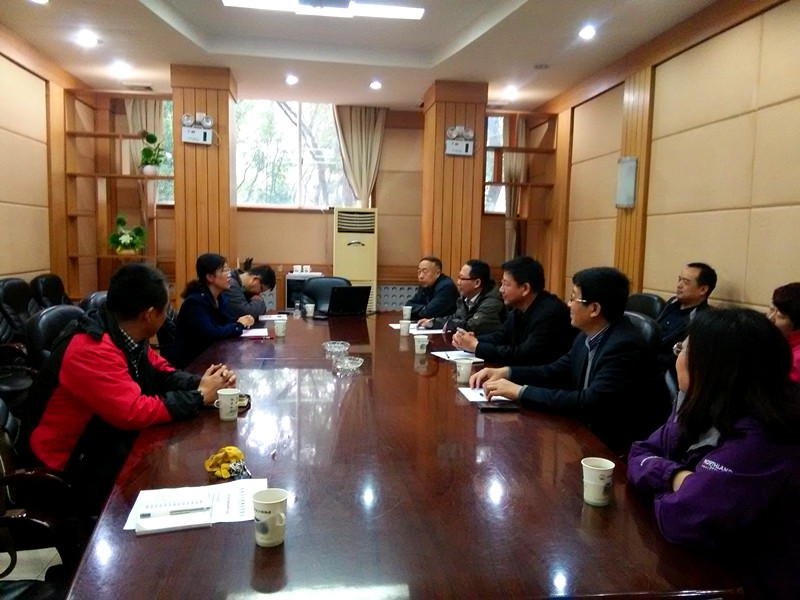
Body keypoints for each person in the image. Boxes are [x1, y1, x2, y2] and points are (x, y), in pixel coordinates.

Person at [28, 263, 237, 514]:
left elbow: (160, 371)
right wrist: (199, 396)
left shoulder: (126, 334)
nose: (167, 317)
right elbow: (133, 412)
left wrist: (203, 382)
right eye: (165, 310)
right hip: (69, 467)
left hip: (105, 444)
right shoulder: (91, 347)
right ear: (148, 315)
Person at [627, 308, 800, 599]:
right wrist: (677, 477)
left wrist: (680, 486)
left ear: (714, 367)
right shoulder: (708, 403)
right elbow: (640, 452)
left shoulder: (765, 437)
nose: (677, 357)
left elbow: (682, 519)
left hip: (752, 584)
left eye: (683, 350)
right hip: (712, 564)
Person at [471, 266, 670, 453]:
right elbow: (554, 372)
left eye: (574, 298)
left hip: (622, 449)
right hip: (588, 434)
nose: (568, 304)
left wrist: (520, 392)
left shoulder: (625, 346)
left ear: (594, 309)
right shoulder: (586, 335)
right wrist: (507, 372)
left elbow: (589, 402)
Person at [452, 256, 575, 366]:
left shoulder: (551, 314)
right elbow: (501, 337)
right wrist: (473, 339)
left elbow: (524, 355)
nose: (501, 289)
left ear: (525, 288)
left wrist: (477, 347)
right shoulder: (518, 310)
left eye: (506, 284)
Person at [167, 253, 254, 368]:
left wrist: (241, 320)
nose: (229, 275)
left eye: (229, 270)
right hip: (191, 363)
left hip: (210, 356)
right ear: (210, 277)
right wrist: (238, 325)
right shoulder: (195, 302)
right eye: (224, 271)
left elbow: (224, 322)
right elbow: (211, 333)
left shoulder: (220, 297)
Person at [656, 262, 716, 375]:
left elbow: (679, 357)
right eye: (679, 280)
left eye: (686, 282)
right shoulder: (672, 303)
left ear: (703, 289)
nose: (679, 285)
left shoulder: (703, 320)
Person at [417, 259, 504, 336]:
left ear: (477, 283)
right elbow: (457, 318)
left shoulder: (492, 301)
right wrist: (433, 322)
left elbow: (472, 326)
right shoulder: (464, 299)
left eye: (462, 278)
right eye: (458, 278)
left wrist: (449, 324)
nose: (458, 282)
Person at [769, 282, 800, 383]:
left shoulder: (796, 359)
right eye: (771, 310)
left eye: (781, 316)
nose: (770, 318)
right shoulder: (774, 338)